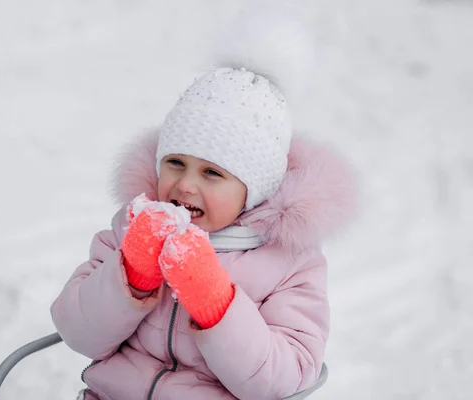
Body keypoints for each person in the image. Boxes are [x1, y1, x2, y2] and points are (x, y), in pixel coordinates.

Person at [51, 8, 357, 400]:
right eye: (175, 163)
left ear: (255, 188)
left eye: (212, 173)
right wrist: (132, 272)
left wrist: (216, 302)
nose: (186, 185)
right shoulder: (132, 228)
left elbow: (285, 377)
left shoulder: (290, 261)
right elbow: (78, 333)